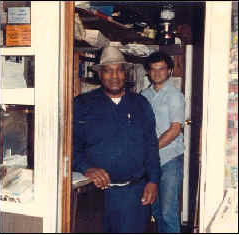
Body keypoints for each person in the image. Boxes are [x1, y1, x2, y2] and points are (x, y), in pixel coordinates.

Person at [73, 46, 160, 233]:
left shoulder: (141, 104)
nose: (114, 76)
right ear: (99, 74)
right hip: (94, 196)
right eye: (108, 70)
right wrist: (86, 167)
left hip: (133, 195)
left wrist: (153, 181)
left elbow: (151, 146)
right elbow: (70, 145)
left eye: (119, 70)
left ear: (125, 73)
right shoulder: (82, 104)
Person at [141, 51, 185, 233]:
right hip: (150, 162)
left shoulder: (175, 95)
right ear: (148, 72)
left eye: (162, 69)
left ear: (170, 71)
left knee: (168, 212)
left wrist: (151, 149)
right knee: (156, 210)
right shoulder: (143, 95)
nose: (157, 73)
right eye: (153, 69)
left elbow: (175, 130)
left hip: (169, 159)